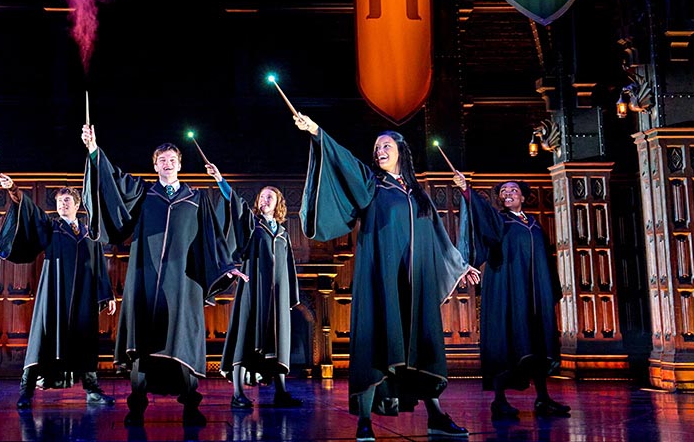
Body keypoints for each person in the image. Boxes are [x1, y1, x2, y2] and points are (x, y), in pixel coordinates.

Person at [292, 114, 479, 441]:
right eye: (377, 147)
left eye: (386, 146)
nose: (379, 151)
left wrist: (460, 265)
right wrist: (317, 132)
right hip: (382, 280)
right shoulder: (372, 186)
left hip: (415, 284)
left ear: (401, 151)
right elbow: (345, 163)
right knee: (377, 342)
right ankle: (364, 420)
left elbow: (438, 235)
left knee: (420, 346)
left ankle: (436, 416)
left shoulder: (418, 194)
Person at [80, 124, 247, 428]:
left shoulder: (196, 199)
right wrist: (93, 150)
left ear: (180, 165)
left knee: (182, 340)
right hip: (146, 279)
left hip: (183, 283)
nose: (167, 164)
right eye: (161, 160)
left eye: (172, 160)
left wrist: (226, 265)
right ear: (154, 165)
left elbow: (212, 238)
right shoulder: (144, 194)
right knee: (143, 343)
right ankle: (137, 407)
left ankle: (191, 407)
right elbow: (112, 181)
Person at [452, 174, 570, 419]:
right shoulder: (499, 221)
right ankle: (499, 401)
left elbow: (546, 260)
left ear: (523, 197)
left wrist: (550, 290)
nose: (507, 193)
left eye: (513, 190)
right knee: (506, 341)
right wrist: (467, 191)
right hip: (507, 291)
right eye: (503, 191)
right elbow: (481, 215)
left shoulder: (534, 224)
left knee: (537, 342)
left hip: (534, 295)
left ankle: (543, 399)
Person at [0, 177, 117, 408]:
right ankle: (26, 391)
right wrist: (14, 190)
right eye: (59, 201)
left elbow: (100, 264)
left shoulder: (89, 233)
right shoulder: (51, 228)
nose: (62, 204)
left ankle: (92, 390)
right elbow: (31, 212)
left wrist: (107, 294)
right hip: (55, 292)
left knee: (85, 339)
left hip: (82, 296)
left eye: (67, 200)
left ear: (77, 205)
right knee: (42, 338)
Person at [205, 164, 303, 409]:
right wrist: (220, 180)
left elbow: (288, 265)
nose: (264, 200)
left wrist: (290, 295)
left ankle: (281, 392)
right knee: (245, 335)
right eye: (261, 197)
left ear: (278, 203)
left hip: (277, 294)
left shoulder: (283, 233)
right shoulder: (252, 224)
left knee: (278, 340)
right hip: (253, 288)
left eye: (270, 197)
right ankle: (238, 393)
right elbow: (235, 204)